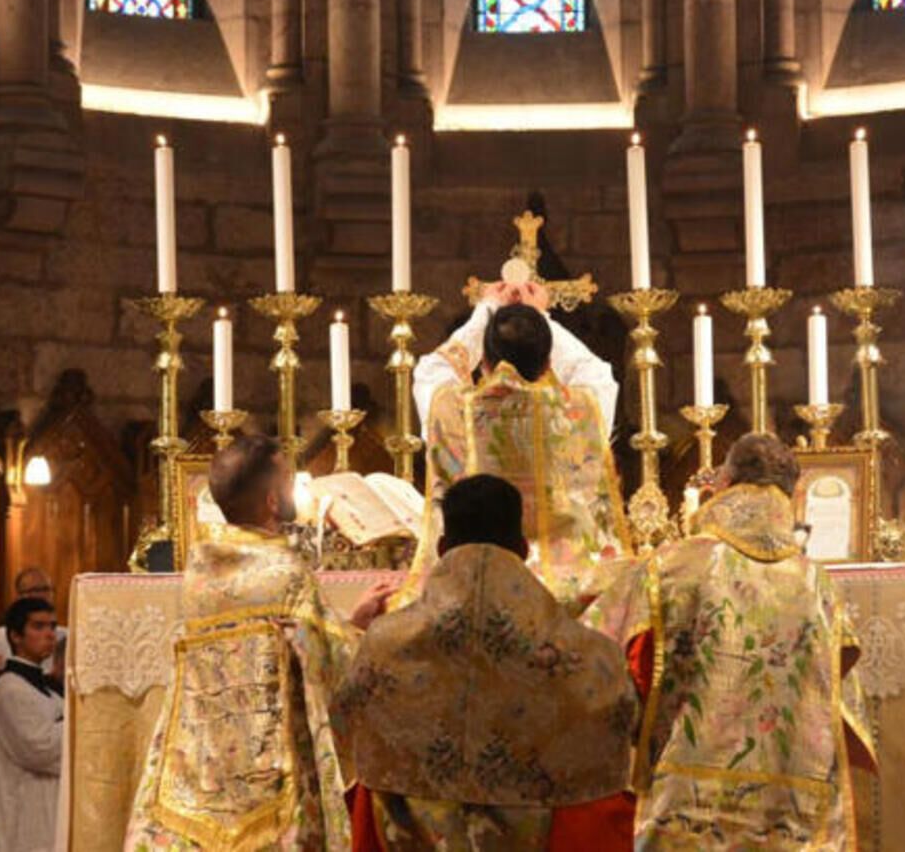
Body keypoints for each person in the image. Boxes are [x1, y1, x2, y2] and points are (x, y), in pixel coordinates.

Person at [585, 434, 876, 848]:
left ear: (723, 484)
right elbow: (840, 708)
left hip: (686, 810)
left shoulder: (671, 566)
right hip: (791, 812)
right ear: (791, 498)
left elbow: (596, 658)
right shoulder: (818, 585)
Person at [338, 475, 637, 851]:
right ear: (523, 548)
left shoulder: (383, 642)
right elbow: (618, 723)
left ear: (443, 546)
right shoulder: (587, 653)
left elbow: (344, 719)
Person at [125, 435, 392, 850]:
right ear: (271, 501)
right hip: (269, 776)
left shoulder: (200, 574)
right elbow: (334, 664)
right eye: (287, 480)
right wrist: (362, 631)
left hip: (202, 767)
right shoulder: (284, 572)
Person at [404, 294, 629, 609]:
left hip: (474, 588)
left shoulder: (454, 408)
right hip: (568, 592)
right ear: (550, 362)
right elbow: (596, 372)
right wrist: (541, 316)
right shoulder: (580, 411)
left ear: (483, 361)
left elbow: (432, 369)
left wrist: (486, 308)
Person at [0, 598, 63, 852]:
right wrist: (81, 721)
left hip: (44, 806)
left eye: (52, 626)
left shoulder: (49, 691)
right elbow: (39, 749)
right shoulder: (10, 688)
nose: (49, 635)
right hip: (22, 811)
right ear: (16, 636)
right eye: (38, 627)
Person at [0, 569, 66, 674]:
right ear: (19, 595)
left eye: (45, 589)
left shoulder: (68, 636)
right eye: (34, 590)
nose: (41, 595)